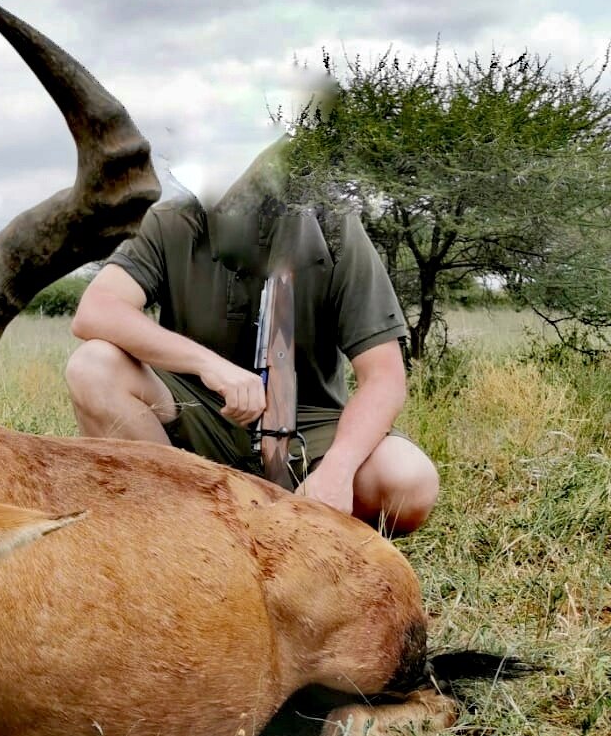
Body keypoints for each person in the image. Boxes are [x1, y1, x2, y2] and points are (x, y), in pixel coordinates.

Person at [66, 144, 439, 534]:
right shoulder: (169, 221)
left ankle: (291, 516)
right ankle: (181, 525)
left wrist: (338, 470)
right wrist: (211, 367)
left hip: (307, 426)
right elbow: (96, 309)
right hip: (198, 417)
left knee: (409, 481)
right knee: (92, 366)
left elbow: (384, 376)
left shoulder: (335, 228)